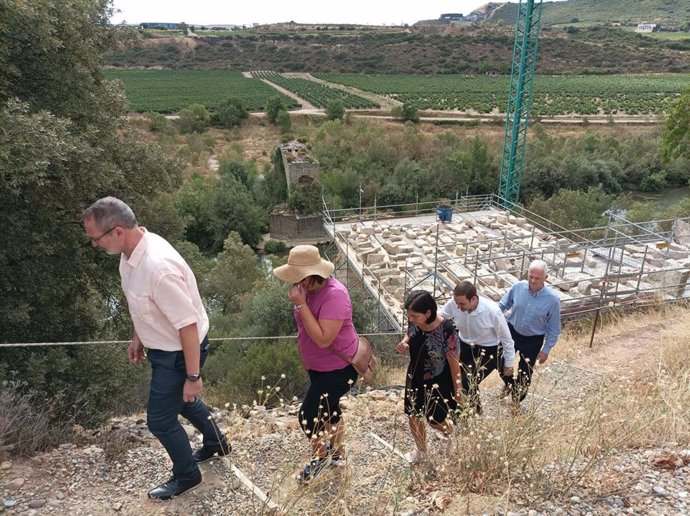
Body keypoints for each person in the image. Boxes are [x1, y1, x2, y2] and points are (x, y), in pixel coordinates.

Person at [82, 197, 229, 500]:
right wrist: (139, 335)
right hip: (166, 348)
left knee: (160, 421)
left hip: (178, 354)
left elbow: (187, 326)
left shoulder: (157, 266)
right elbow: (144, 305)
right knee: (185, 404)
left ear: (118, 232)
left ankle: (187, 475)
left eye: (95, 239)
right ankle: (217, 444)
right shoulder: (130, 254)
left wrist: (192, 376)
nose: (94, 245)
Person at [273, 245, 359, 483]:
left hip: (340, 368)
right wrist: (305, 360)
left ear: (312, 276)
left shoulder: (335, 295)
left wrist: (301, 304)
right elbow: (304, 330)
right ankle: (339, 453)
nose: (293, 283)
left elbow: (323, 338)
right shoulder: (307, 292)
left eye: (297, 277)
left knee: (307, 415)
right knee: (331, 411)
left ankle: (322, 458)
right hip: (319, 367)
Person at [396, 291, 462, 464]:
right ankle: (421, 451)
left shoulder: (447, 329)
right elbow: (409, 333)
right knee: (413, 415)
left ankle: (448, 434)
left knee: (434, 420)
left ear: (428, 313)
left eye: (414, 316)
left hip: (438, 381)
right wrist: (405, 342)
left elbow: (454, 361)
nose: (410, 319)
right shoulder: (415, 323)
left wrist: (458, 389)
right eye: (408, 315)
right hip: (415, 376)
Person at [439, 281, 515, 414]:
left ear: (473, 299)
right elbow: (441, 316)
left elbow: (507, 339)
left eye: (462, 304)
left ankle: (475, 412)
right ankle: (473, 409)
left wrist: (509, 362)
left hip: (488, 350)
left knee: (467, 381)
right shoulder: (455, 304)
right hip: (463, 345)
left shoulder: (492, 311)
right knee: (455, 378)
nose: (458, 307)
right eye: (457, 303)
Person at [498, 259, 561, 405]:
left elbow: (554, 328)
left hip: (533, 340)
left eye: (537, 278)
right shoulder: (517, 287)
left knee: (525, 373)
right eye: (530, 276)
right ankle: (509, 384)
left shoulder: (552, 300)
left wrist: (546, 350)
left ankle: (516, 401)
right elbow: (502, 305)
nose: (532, 281)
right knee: (498, 360)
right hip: (511, 332)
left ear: (546, 277)